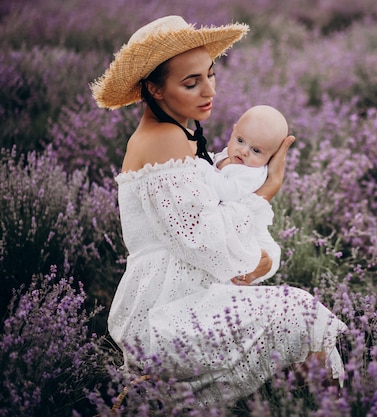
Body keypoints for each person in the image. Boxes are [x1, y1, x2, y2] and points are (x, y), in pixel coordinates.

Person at [90, 15, 347, 406]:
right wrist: (268, 190)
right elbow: (207, 243)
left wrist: (263, 258)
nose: (208, 90)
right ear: (155, 89)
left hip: (189, 294)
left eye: (210, 75)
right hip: (163, 313)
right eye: (191, 82)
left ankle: (299, 407)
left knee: (300, 319)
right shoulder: (163, 142)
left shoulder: (181, 133)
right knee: (303, 314)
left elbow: (223, 233)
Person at [205, 104, 289, 284]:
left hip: (251, 235)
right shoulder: (229, 157)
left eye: (256, 150)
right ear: (233, 131)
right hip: (232, 225)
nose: (243, 151)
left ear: (271, 157)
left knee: (240, 269)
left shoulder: (251, 173)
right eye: (240, 140)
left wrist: (201, 168)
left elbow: (225, 191)